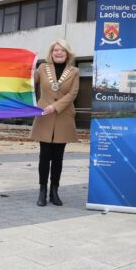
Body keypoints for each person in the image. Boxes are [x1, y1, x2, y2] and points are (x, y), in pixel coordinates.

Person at [30, 39, 79, 207]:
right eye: (55, 50)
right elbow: (28, 84)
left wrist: (55, 107)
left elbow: (73, 94)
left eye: (62, 50)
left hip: (63, 116)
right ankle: (42, 191)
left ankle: (54, 191)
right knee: (44, 156)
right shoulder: (42, 68)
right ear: (51, 53)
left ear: (67, 54)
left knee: (58, 157)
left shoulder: (74, 71)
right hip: (44, 116)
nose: (58, 53)